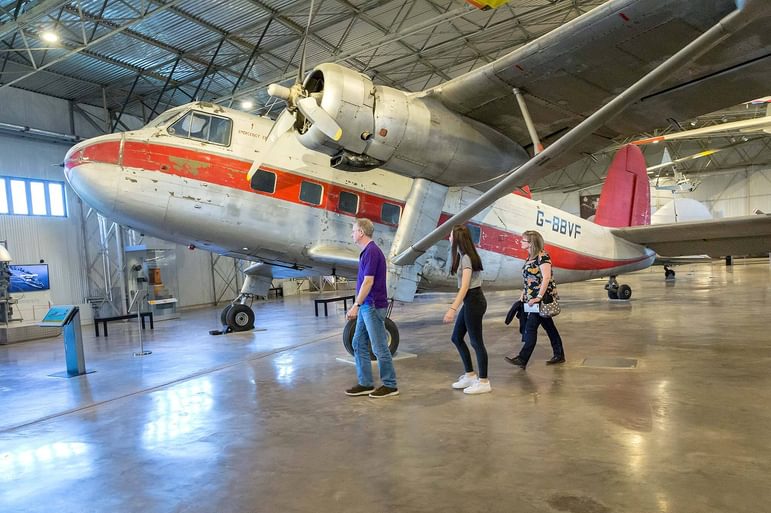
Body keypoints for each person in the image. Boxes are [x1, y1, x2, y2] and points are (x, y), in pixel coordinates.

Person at [345, 218, 399, 398]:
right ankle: (366, 383)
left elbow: (368, 282)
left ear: (361, 232)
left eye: (353, 231)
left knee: (379, 347)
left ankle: (390, 385)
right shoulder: (367, 251)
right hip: (366, 306)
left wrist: (355, 305)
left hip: (372, 306)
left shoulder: (371, 252)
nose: (352, 234)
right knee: (358, 343)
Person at [505, 230, 565, 369]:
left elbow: (546, 278)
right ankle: (559, 354)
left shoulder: (543, 257)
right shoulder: (529, 258)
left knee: (531, 327)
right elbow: (529, 280)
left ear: (531, 243)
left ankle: (522, 358)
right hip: (530, 300)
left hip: (540, 300)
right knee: (549, 327)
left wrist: (537, 297)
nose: (520, 242)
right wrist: (523, 294)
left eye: (523, 240)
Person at [443, 225, 491, 395]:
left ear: (457, 239)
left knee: (477, 342)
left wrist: (452, 309)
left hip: (474, 301)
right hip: (471, 300)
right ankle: (470, 375)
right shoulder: (465, 256)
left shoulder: (466, 259)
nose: (449, 238)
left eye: (450, 236)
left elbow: (464, 288)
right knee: (456, 337)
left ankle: (484, 381)